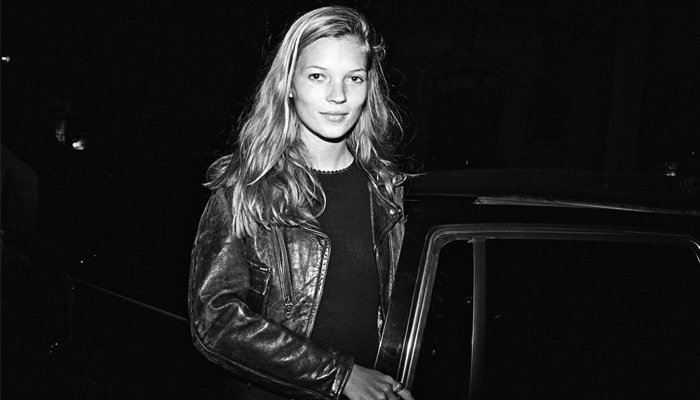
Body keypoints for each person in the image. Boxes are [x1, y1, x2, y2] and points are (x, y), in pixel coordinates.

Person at [188, 6, 414, 400]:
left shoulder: (388, 191)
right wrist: (341, 376)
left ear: (369, 87)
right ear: (289, 84)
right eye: (317, 76)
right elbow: (215, 321)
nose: (338, 96)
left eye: (354, 78)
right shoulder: (245, 188)